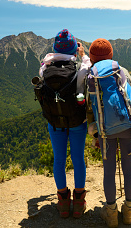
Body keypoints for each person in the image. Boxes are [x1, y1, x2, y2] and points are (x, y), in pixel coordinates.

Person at [39, 29, 91, 218]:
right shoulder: (79, 69)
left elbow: (44, 62)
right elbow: (88, 68)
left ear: (54, 48)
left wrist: (52, 54)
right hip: (77, 121)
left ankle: (62, 202)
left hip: (55, 123)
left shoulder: (45, 68)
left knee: (59, 159)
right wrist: (82, 55)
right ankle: (78, 202)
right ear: (74, 49)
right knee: (78, 159)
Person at [87, 38, 131, 228]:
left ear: (92, 57)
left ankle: (111, 214)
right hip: (127, 127)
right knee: (129, 169)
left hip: (105, 131)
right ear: (111, 55)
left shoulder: (92, 76)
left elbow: (90, 108)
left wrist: (94, 132)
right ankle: (129, 212)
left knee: (109, 172)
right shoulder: (121, 71)